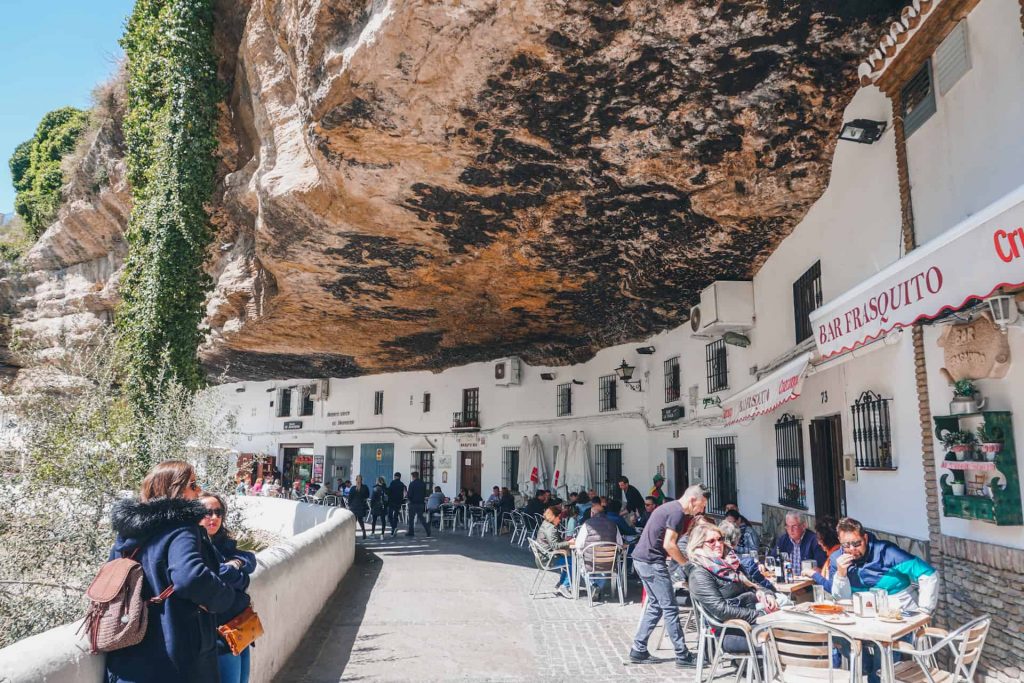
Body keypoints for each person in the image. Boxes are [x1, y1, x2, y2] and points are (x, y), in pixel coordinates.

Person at [105, 461, 248, 683]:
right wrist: (226, 597)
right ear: (174, 489)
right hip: (177, 656)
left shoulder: (126, 536)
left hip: (129, 652)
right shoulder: (182, 529)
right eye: (193, 484)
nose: (198, 490)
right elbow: (190, 577)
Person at [831, 517, 938, 683]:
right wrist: (841, 575)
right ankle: (868, 668)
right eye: (846, 545)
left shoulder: (887, 552)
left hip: (898, 618)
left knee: (883, 655)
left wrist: (924, 611)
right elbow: (841, 599)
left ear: (865, 538)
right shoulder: (837, 560)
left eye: (857, 543)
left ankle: (877, 674)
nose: (852, 549)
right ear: (840, 542)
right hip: (863, 619)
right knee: (838, 637)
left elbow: (929, 574)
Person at [627, 484, 707, 668]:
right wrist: (686, 566)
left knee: (656, 605)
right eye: (701, 505)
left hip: (642, 559)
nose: (702, 509)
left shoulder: (669, 508)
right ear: (693, 500)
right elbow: (669, 545)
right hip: (651, 562)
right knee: (670, 607)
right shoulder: (677, 512)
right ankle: (682, 655)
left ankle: (638, 650)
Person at [686, 522, 779, 655]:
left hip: (751, 618)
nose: (718, 544)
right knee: (780, 637)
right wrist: (759, 616)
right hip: (730, 630)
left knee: (790, 629)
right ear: (699, 545)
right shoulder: (700, 574)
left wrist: (767, 594)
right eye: (711, 541)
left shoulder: (730, 564)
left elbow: (754, 584)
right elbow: (721, 610)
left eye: (720, 539)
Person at [198, 492, 257, 683]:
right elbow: (221, 573)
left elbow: (249, 559)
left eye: (218, 512)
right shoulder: (194, 545)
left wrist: (237, 564)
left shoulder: (222, 542)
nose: (214, 517)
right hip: (219, 632)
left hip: (239, 626)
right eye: (207, 512)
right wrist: (241, 578)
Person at [718, 519, 773, 590]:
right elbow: (765, 585)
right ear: (736, 541)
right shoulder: (746, 562)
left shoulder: (711, 563)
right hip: (750, 596)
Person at [536, 505, 574, 598]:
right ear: (554, 517)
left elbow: (554, 542)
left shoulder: (545, 524)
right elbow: (555, 546)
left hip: (542, 557)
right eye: (559, 517)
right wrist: (569, 543)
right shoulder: (551, 528)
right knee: (573, 562)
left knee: (568, 560)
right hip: (548, 560)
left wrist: (565, 542)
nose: (560, 520)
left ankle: (561, 583)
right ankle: (564, 585)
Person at [802, 517, 841, 591]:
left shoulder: (835, 556)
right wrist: (820, 572)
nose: (818, 542)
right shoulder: (836, 552)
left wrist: (813, 574)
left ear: (825, 539)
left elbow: (831, 587)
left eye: (819, 538)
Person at [406, 471, 430, 537]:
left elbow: (410, 494)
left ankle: (411, 532)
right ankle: (427, 529)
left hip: (413, 503)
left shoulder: (412, 484)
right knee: (421, 518)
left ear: (413, 477)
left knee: (411, 518)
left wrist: (409, 500)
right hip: (421, 503)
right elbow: (425, 493)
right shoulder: (423, 484)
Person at [348, 475, 370, 539]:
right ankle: (364, 533)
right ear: (362, 480)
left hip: (353, 506)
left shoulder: (353, 488)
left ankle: (353, 534)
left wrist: (349, 505)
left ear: (356, 480)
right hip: (361, 506)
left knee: (354, 521)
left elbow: (350, 498)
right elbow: (367, 496)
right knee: (361, 521)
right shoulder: (365, 487)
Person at [387, 472, 407, 537]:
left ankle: (393, 528)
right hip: (398, 502)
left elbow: (389, 491)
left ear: (395, 476)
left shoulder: (393, 483)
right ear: (400, 477)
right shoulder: (402, 484)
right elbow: (405, 494)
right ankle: (393, 531)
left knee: (390, 516)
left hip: (392, 501)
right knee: (395, 516)